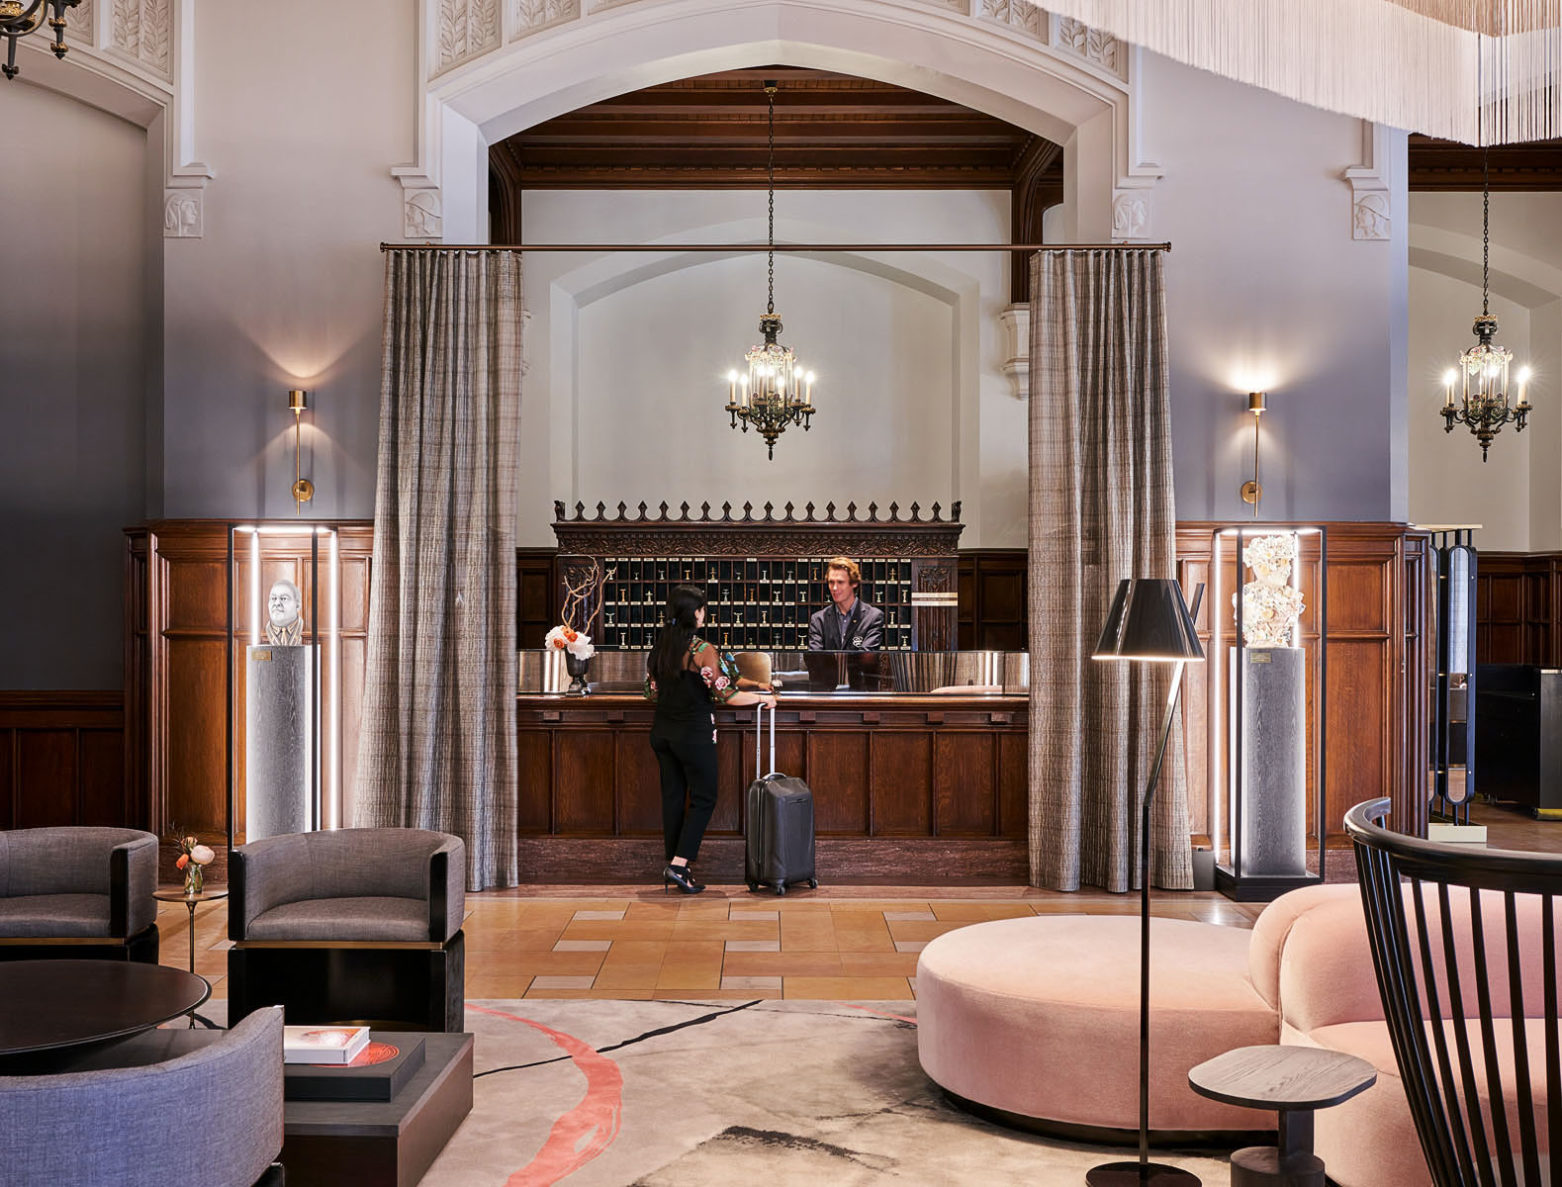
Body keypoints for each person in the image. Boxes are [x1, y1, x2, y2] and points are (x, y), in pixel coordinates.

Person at [644, 584, 776, 894]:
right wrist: (761, 698)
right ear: (694, 613)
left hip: (662, 733)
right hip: (693, 734)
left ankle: (677, 867)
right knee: (705, 798)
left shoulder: (661, 646)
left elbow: (651, 692)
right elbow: (727, 695)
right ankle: (678, 864)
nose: (705, 613)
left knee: (674, 800)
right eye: (702, 608)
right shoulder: (702, 650)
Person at [806, 555, 884, 651]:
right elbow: (815, 659)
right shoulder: (819, 619)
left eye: (840, 582)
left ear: (854, 583)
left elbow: (866, 658)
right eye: (831, 582)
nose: (834, 588)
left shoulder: (873, 617)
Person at [266, 578, 303, 646]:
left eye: (283, 598)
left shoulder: (307, 632)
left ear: (297, 605)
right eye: (273, 598)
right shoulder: (259, 635)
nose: (277, 603)